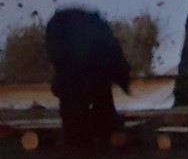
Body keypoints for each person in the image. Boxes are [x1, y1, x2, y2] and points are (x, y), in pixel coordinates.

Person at [44, 8, 131, 147]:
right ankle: (89, 132)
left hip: (81, 59)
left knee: (85, 98)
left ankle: (83, 133)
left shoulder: (89, 35)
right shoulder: (94, 40)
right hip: (81, 60)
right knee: (90, 96)